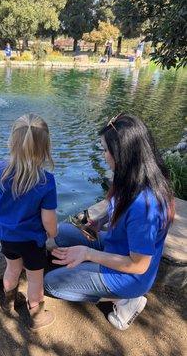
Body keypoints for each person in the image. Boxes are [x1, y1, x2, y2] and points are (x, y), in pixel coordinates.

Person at [44, 113, 174, 331]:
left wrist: (87, 254)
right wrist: (99, 221)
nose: (103, 155)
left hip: (129, 276)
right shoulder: (130, 177)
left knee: (51, 284)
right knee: (61, 232)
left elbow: (139, 265)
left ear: (122, 153)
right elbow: (114, 207)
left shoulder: (144, 205)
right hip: (116, 246)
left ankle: (126, 301)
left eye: (105, 150)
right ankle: (91, 271)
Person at [0, 114, 57, 331]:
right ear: (45, 148)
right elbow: (49, 220)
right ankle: (36, 316)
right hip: (33, 241)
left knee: (12, 269)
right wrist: (53, 234)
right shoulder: (46, 181)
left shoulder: (1, 169)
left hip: (7, 237)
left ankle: (8, 303)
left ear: (12, 143)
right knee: (35, 280)